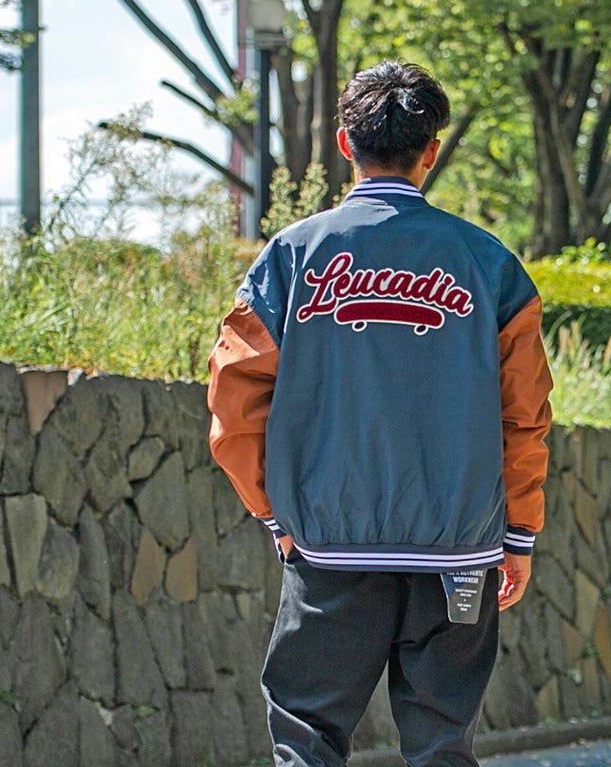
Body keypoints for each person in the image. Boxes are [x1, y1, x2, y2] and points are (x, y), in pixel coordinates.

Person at [207, 61, 553, 767]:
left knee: (307, 737)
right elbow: (524, 415)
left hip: (329, 545)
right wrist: (517, 534)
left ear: (345, 143)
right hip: (458, 553)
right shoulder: (492, 266)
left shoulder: (291, 257)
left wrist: (277, 515)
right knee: (442, 744)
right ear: (432, 152)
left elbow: (234, 398)